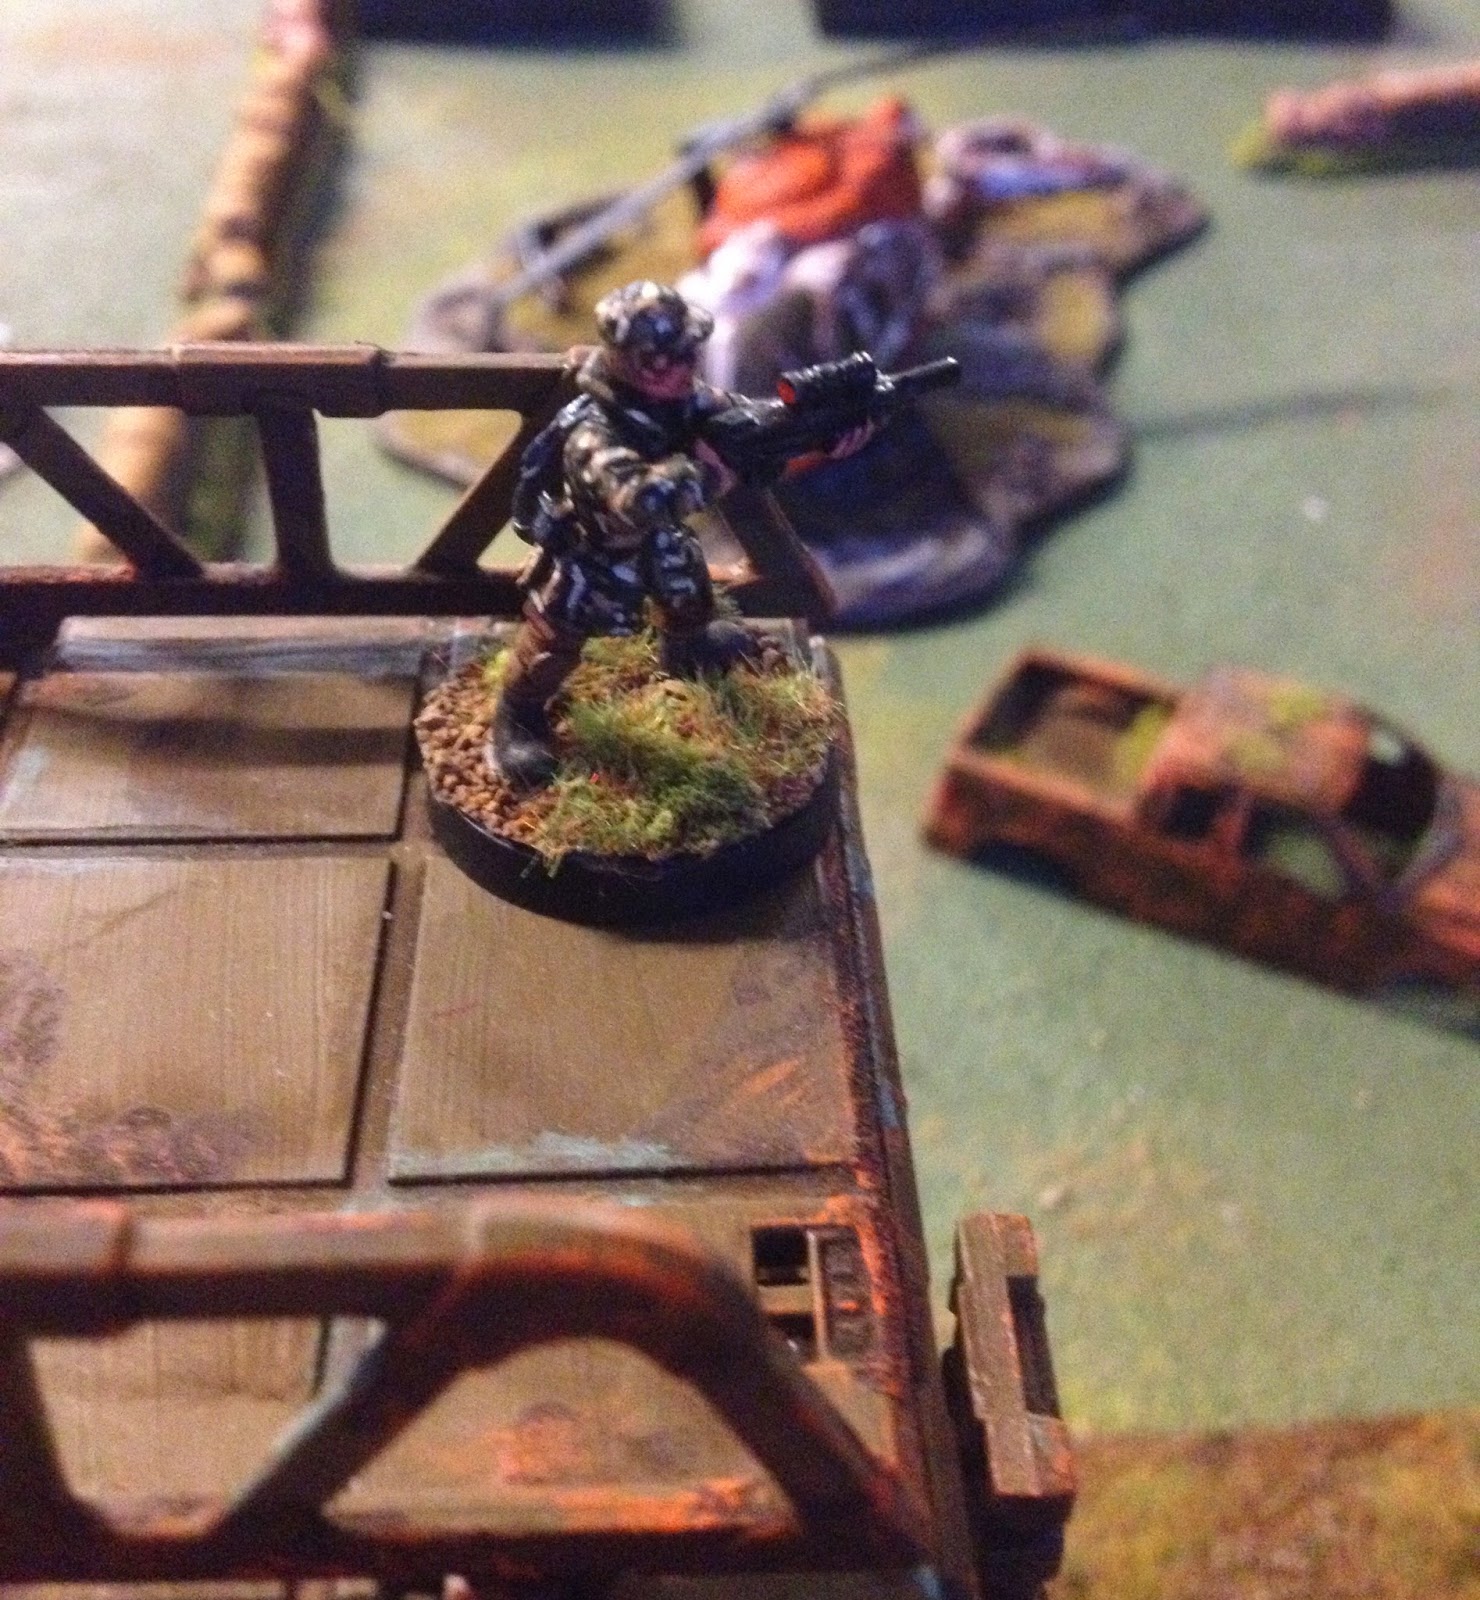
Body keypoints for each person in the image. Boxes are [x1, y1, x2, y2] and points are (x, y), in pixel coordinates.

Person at [489, 279, 864, 790]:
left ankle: (688, 648)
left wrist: (817, 434)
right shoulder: (594, 434)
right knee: (555, 642)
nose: (686, 367)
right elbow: (641, 500)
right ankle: (518, 715)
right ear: (627, 362)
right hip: (597, 554)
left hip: (661, 542)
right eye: (667, 359)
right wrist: (709, 470)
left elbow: (747, 421)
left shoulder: (684, 401)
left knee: (687, 592)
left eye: (689, 352)